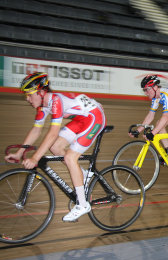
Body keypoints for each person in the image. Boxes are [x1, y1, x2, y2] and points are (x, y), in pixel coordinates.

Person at [4, 72, 106, 222]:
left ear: (41, 92)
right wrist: (19, 153)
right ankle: (83, 175)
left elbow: (52, 133)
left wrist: (35, 158)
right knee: (55, 147)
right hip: (81, 118)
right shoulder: (42, 106)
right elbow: (36, 130)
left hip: (94, 118)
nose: (27, 98)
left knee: (70, 157)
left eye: (29, 94)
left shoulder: (55, 101)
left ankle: (83, 205)